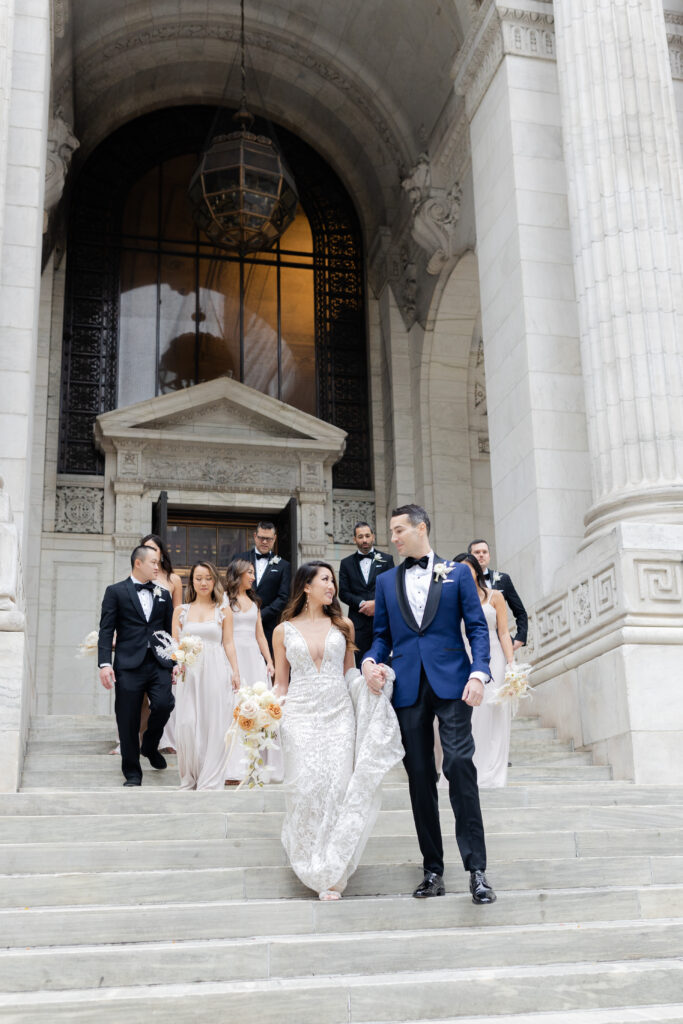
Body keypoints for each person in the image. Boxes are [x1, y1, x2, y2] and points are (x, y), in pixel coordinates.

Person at [363, 504, 497, 905]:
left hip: (453, 683)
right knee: (420, 778)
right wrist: (371, 660)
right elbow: (382, 635)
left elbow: (475, 627)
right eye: (391, 531)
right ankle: (432, 870)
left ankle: (477, 871)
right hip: (407, 689)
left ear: (421, 528)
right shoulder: (386, 582)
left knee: (458, 764)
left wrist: (479, 673)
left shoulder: (457, 574)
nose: (393, 537)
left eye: (399, 529)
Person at [272, 561, 403, 901]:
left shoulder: (343, 625)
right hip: (299, 715)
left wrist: (371, 683)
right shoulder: (283, 631)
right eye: (325, 580)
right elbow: (281, 684)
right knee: (306, 788)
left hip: (338, 713)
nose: (331, 586)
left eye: (332, 580)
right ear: (306, 586)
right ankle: (307, 859)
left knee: (337, 788)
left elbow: (349, 674)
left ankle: (331, 871)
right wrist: (262, 709)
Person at [98, 544, 175, 786]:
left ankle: (150, 746)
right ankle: (132, 772)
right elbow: (106, 629)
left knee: (165, 704)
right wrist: (104, 664)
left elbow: (168, 632)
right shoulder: (115, 591)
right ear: (138, 563)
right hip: (128, 665)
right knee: (128, 718)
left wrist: (174, 661)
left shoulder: (164, 594)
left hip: (158, 663)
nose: (157, 566)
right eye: (153, 562)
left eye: (158, 562)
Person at [172, 561, 241, 791]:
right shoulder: (181, 611)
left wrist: (235, 672)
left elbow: (229, 643)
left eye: (208, 578)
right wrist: (177, 663)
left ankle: (210, 778)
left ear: (214, 581)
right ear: (191, 580)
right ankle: (190, 776)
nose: (203, 582)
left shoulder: (223, 610)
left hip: (215, 668)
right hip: (189, 672)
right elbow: (175, 644)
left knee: (213, 723)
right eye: (198, 578)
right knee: (187, 723)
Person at [454, 552, 515, 788]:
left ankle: (492, 771)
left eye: (467, 572)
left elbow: (503, 632)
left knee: (493, 709)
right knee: (471, 713)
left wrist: (511, 664)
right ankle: (470, 768)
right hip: (465, 657)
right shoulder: (454, 599)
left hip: (494, 657)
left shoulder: (496, 596)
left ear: (477, 573)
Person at [223, 559, 282, 783]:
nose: (253, 576)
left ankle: (258, 764)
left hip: (254, 659)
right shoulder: (225, 601)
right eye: (249, 572)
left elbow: (260, 635)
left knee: (258, 710)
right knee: (234, 709)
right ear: (238, 574)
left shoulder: (255, 602)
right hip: (233, 658)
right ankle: (234, 767)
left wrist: (269, 661)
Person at [338, 521, 394, 666]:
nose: (364, 540)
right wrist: (362, 604)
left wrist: (376, 604)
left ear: (373, 537)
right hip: (357, 624)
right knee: (359, 663)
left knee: (383, 663)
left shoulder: (387, 560)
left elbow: (392, 589)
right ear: (354, 539)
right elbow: (343, 593)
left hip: (382, 620)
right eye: (360, 536)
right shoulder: (346, 563)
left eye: (367, 536)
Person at [236, 522, 291, 651]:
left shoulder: (283, 565)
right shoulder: (239, 559)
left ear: (275, 539)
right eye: (261, 538)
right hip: (240, 622)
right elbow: (232, 587)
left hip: (268, 626)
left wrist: (261, 615)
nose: (265, 542)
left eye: (269, 539)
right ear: (255, 536)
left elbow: (283, 597)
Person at [467, 539, 528, 651]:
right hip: (471, 642)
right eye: (477, 552)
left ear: (489, 556)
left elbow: (520, 612)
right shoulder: (463, 581)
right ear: (469, 557)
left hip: (500, 643)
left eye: (484, 552)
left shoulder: (503, 579)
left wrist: (520, 638)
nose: (481, 555)